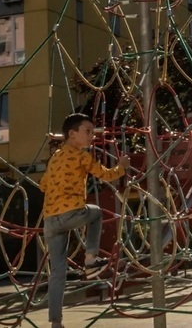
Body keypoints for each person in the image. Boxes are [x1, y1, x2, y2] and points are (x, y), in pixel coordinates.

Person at [39, 113, 129, 328]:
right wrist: (122, 166)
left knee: (57, 273)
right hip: (71, 214)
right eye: (87, 131)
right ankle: (90, 260)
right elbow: (105, 175)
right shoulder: (81, 156)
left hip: (50, 220)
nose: (92, 136)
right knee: (96, 213)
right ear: (72, 134)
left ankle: (55, 322)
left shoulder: (55, 158)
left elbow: (43, 185)